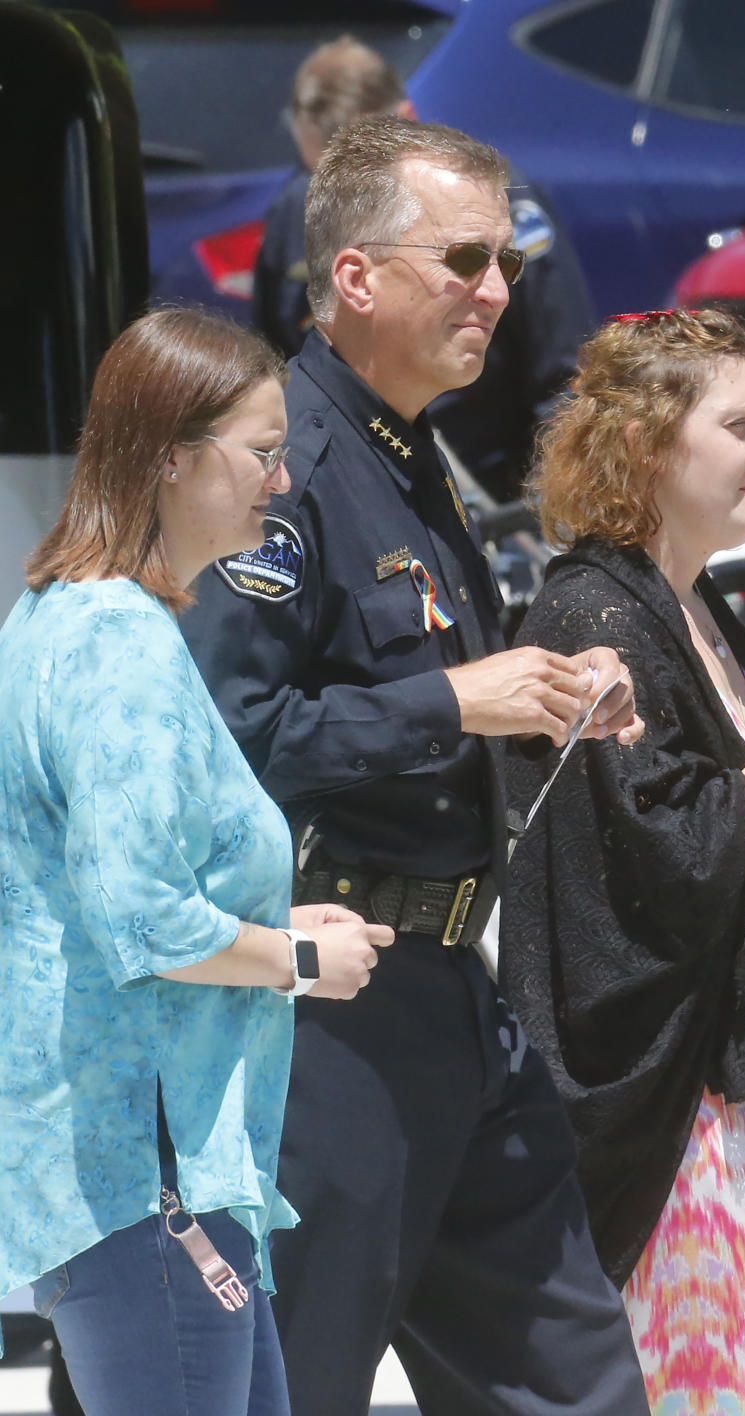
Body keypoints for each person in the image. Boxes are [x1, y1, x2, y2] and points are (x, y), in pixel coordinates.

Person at [181, 115, 651, 1416]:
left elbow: (437, 699)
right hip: (322, 1023)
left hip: (453, 999)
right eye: (464, 259)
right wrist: (453, 701)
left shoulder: (409, 454)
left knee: (577, 1387)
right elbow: (235, 739)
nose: (499, 292)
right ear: (355, 277)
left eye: (504, 261)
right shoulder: (283, 469)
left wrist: (543, 703)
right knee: (290, 1389)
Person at [501, 308, 745, 1415]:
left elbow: (705, 856)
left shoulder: (694, 604)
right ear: (647, 448)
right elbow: (662, 867)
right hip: (667, 1118)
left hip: (728, 1101)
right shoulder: (595, 609)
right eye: (742, 425)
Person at [0, 307, 393, 1416]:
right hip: (147, 1177)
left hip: (146, 1175)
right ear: (170, 456)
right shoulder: (115, 640)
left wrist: (278, 929)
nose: (283, 483)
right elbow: (145, 920)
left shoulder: (67, 616)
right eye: (263, 454)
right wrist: (299, 959)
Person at [252, 34, 594, 502]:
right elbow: (272, 361)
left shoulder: (496, 205)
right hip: (351, 474)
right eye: (321, 174)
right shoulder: (297, 210)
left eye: (366, 169)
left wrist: (545, 510)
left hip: (493, 480)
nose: (339, 196)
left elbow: (562, 375)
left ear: (406, 119)